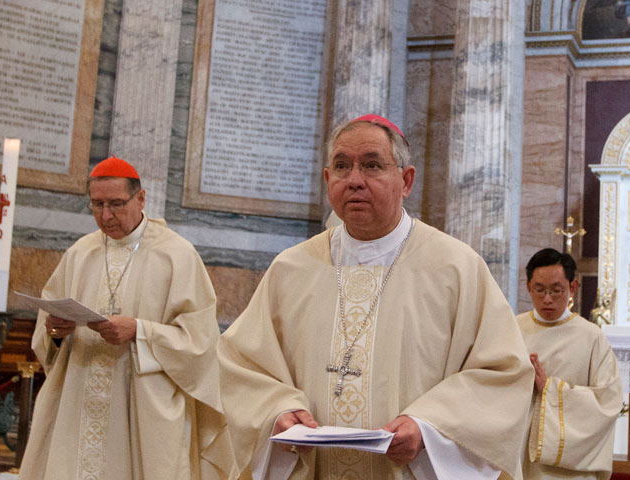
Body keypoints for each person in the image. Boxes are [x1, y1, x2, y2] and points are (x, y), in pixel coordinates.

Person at [218, 114, 534, 479]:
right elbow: (241, 364)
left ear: (406, 180)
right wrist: (278, 412)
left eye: (372, 165)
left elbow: (502, 374)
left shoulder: (455, 268)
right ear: (327, 180)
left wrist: (428, 428)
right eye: (341, 166)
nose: (354, 181)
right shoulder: (291, 269)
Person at [19, 156, 233, 480]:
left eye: (117, 204)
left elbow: (200, 343)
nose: (106, 215)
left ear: (141, 198)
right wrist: (55, 331)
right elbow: (46, 332)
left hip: (144, 411)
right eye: (97, 205)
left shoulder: (177, 256)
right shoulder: (80, 253)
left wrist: (139, 331)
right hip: (78, 403)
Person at [517, 248, 622, 480]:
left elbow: (609, 402)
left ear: (573, 287)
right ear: (528, 287)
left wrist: (550, 390)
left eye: (556, 290)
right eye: (539, 289)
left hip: (568, 470)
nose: (547, 299)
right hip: (518, 457)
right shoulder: (512, 329)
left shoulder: (592, 337)